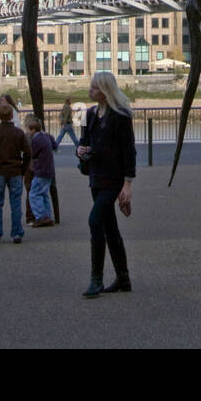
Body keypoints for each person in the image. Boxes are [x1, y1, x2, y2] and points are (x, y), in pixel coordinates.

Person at [77, 71, 136, 298]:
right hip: (95, 177)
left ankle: (96, 278)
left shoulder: (120, 116)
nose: (90, 91)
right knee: (110, 227)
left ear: (104, 91)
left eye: (94, 88)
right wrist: (79, 150)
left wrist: (127, 184)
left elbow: (128, 151)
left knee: (95, 221)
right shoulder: (90, 114)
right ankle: (123, 278)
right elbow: (84, 143)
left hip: (113, 178)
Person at [0, 102, 30, 244]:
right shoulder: (18, 132)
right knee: (16, 202)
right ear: (11, 115)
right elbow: (27, 152)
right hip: (15, 170)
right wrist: (23, 169)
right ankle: (16, 233)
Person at [25, 114, 57, 228]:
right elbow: (55, 145)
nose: (27, 132)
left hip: (41, 170)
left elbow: (32, 154)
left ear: (33, 130)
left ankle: (40, 216)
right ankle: (47, 215)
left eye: (28, 130)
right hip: (49, 170)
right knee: (44, 194)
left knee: (33, 193)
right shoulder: (46, 136)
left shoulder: (36, 140)